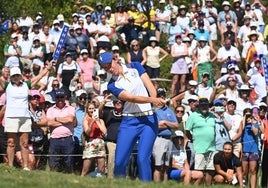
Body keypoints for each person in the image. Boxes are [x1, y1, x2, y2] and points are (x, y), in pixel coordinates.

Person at [98, 51, 165, 181]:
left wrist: (155, 99)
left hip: (148, 120)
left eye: (109, 64)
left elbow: (149, 85)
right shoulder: (112, 85)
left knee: (142, 158)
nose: (109, 69)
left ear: (115, 59)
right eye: (105, 68)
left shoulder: (134, 65)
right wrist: (152, 101)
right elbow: (131, 98)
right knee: (119, 162)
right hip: (129, 121)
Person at [4, 65, 51, 170]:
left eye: (17, 75)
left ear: (20, 76)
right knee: (11, 142)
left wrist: (47, 69)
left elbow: (39, 76)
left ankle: (25, 167)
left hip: (25, 117)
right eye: (14, 75)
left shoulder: (26, 85)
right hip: (11, 117)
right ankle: (10, 167)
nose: (16, 77)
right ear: (11, 77)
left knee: (24, 143)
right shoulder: (7, 85)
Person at [185, 97, 216, 185]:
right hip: (199, 148)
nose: (204, 107)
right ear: (199, 106)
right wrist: (192, 139)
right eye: (202, 106)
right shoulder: (193, 116)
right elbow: (187, 131)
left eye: (206, 105)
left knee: (210, 170)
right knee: (199, 172)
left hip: (212, 147)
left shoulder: (212, 116)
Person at [46, 88, 76, 173]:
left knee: (68, 162)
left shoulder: (70, 108)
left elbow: (70, 119)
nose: (60, 99)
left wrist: (56, 119)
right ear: (55, 98)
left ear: (65, 97)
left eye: (61, 97)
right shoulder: (50, 110)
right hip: (54, 139)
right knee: (53, 162)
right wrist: (64, 122)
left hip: (67, 139)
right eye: (58, 97)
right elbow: (49, 123)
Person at [153, 88, 178, 182]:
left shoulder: (169, 110)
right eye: (159, 95)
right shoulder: (154, 110)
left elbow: (176, 125)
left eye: (163, 95)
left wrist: (165, 122)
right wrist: (168, 125)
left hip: (169, 139)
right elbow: (156, 126)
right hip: (158, 139)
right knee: (158, 166)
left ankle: (165, 185)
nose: (162, 97)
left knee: (166, 166)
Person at [81, 102, 107, 177]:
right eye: (90, 109)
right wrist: (92, 121)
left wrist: (97, 121)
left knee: (102, 168)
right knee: (86, 168)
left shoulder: (101, 120)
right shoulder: (85, 120)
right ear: (87, 110)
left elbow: (104, 131)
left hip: (100, 142)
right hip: (90, 142)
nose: (91, 110)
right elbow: (88, 133)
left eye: (93, 109)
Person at [241, 108, 259, 188]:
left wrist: (252, 122)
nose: (248, 117)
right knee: (244, 171)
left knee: (253, 170)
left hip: (253, 150)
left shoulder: (254, 123)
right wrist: (244, 118)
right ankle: (245, 185)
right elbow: (241, 130)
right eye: (246, 115)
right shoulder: (242, 123)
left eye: (249, 115)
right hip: (245, 150)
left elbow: (255, 132)